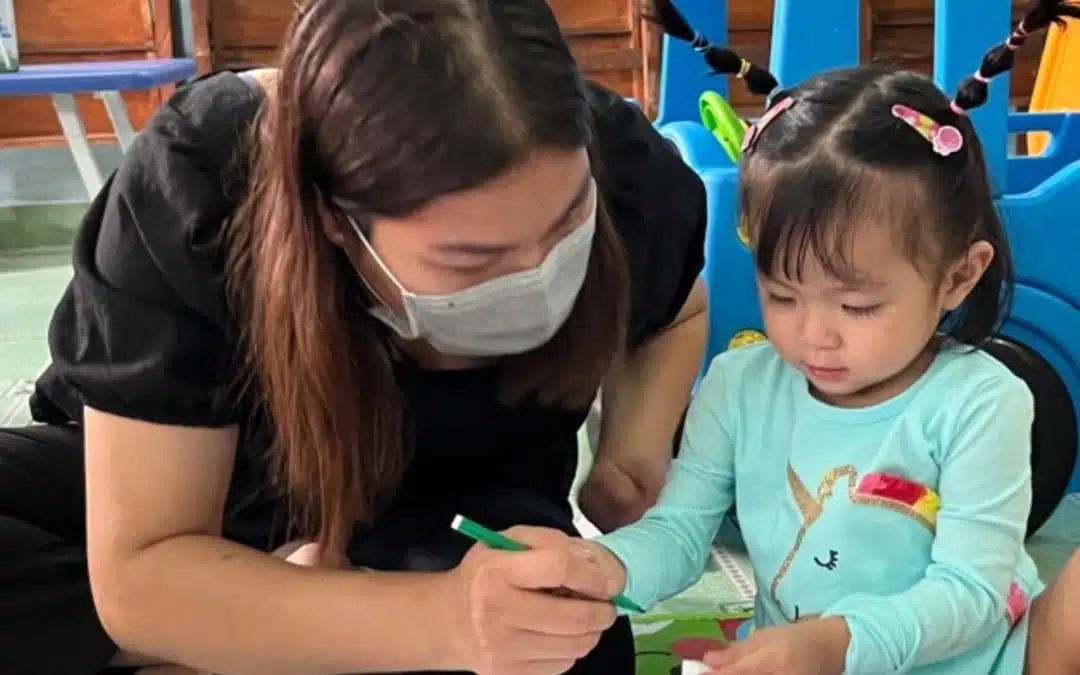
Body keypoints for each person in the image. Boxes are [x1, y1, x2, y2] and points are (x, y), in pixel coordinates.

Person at [0, 0, 781, 672]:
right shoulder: (198, 188)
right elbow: (143, 567)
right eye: (472, 258)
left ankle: (261, 629)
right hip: (195, 475)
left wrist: (634, 448)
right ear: (336, 224)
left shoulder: (618, 164)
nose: (538, 271)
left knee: (555, 639)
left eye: (565, 225)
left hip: (445, 507)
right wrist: (429, 620)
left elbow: (676, 306)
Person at [577, 1, 1080, 674]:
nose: (813, 334)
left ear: (959, 275)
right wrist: (598, 567)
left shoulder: (983, 400)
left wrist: (835, 644)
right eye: (781, 295)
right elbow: (677, 533)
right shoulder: (739, 384)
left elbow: (970, 593)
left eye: (859, 305)